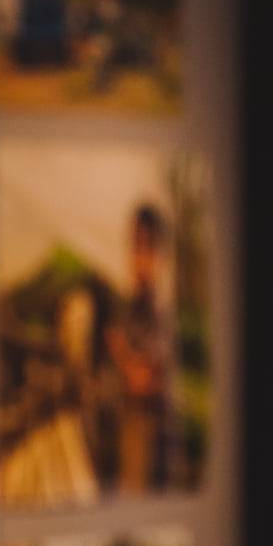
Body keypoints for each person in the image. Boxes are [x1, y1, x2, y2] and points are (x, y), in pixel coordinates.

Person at [105, 201, 174, 492]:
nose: (137, 256)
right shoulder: (132, 304)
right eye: (134, 245)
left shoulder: (160, 308)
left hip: (150, 432)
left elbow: (144, 379)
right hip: (131, 425)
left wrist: (122, 353)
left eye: (146, 246)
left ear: (159, 254)